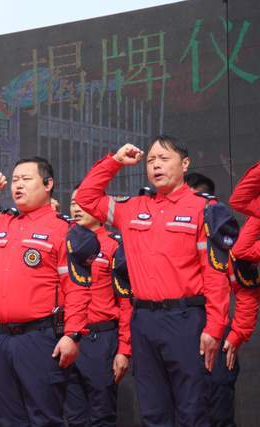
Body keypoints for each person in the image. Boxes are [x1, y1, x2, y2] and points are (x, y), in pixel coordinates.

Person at [75, 136, 236, 426]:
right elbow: (86, 197)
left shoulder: (202, 209)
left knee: (192, 409)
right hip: (144, 321)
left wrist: (214, 327)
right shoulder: (132, 208)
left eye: (164, 158)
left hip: (186, 320)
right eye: (150, 161)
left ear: (185, 164)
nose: (156, 165)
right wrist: (115, 162)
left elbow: (215, 273)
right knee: (152, 410)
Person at [0, 157, 90, 425]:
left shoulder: (64, 229)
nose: (18, 186)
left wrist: (72, 335)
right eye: (15, 180)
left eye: (26, 179)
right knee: (5, 418)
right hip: (1, 337)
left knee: (44, 417)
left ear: (48, 184)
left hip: (40, 339)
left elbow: (75, 287)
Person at [64, 187, 132, 427]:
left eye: (83, 203)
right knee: (72, 416)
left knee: (101, 415)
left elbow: (125, 301)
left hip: (100, 338)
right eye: (73, 203)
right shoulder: (65, 240)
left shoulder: (114, 245)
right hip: (68, 338)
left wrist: (124, 348)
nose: (76, 208)